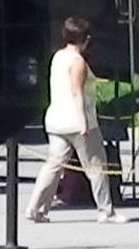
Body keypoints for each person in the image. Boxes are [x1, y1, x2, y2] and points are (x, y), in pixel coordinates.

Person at [30, 15, 117, 220]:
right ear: (85, 39)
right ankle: (106, 211)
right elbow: (77, 92)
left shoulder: (58, 57)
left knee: (53, 166)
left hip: (56, 119)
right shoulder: (78, 62)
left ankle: (35, 208)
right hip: (77, 121)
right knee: (96, 167)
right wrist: (84, 122)